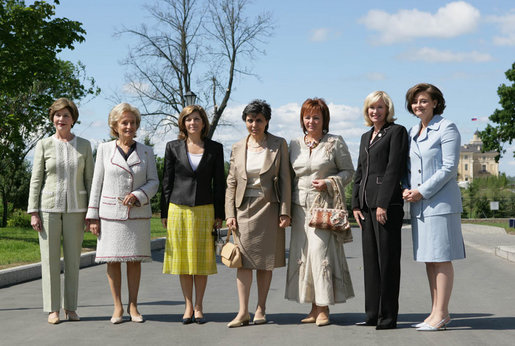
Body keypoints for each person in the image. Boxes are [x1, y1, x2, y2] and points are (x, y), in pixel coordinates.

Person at [86, 103, 159, 324]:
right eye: (124, 122)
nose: (129, 126)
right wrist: (93, 216)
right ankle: (117, 307)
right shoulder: (104, 150)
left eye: (133, 122)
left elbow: (154, 181)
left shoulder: (147, 151)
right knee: (113, 261)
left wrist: (139, 194)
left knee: (135, 261)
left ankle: (133, 306)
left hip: (137, 215)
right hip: (110, 215)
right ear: (115, 125)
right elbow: (96, 183)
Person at [285, 98, 355, 326]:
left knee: (320, 254)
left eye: (316, 117)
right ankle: (313, 307)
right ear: (302, 119)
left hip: (323, 207)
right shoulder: (294, 144)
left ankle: (324, 307)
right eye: (307, 117)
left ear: (324, 119)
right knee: (304, 256)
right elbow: (288, 176)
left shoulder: (335, 142)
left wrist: (329, 181)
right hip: (299, 208)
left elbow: (348, 171)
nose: (311, 121)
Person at [402, 83, 465, 331]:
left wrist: (422, 191)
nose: (419, 105)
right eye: (415, 101)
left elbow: (449, 168)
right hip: (419, 206)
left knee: (441, 258)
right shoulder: (411, 131)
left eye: (424, 100)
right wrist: (406, 188)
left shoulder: (446, 127)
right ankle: (436, 312)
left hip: (440, 203)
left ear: (436, 102)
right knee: (429, 259)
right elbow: (408, 168)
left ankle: (441, 313)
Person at [225, 99, 291, 327]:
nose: (254, 124)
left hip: (269, 209)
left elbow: (285, 180)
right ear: (245, 121)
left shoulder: (278, 144)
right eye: (250, 120)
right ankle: (242, 312)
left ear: (267, 122)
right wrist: (229, 213)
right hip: (242, 210)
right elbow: (231, 182)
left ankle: (261, 309)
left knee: (265, 262)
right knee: (242, 262)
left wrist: (285, 211)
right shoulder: (237, 146)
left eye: (259, 120)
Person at [27, 98, 94, 324]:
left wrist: (91, 212)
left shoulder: (84, 145)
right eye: (57, 115)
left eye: (66, 115)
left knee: (73, 260)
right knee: (50, 260)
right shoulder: (43, 145)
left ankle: (71, 308)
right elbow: (36, 179)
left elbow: (90, 180)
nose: (61, 119)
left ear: (73, 119)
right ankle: (53, 309)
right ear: (52, 119)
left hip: (77, 210)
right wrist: (33, 211)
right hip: (48, 210)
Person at [161, 105, 225, 324]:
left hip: (205, 208)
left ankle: (199, 306)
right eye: (188, 119)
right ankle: (188, 306)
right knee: (183, 260)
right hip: (178, 208)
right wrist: (164, 212)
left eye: (197, 119)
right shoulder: (172, 147)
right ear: (183, 123)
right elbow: (166, 181)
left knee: (202, 260)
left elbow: (220, 184)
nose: (192, 123)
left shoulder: (215, 148)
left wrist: (220, 213)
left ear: (203, 123)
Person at [351, 91, 408, 330]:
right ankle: (372, 314)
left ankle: (388, 317)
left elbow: (394, 168)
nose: (376, 111)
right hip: (365, 207)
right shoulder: (366, 136)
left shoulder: (397, 132)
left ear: (388, 110)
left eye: (380, 107)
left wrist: (383, 203)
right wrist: (354, 204)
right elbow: (360, 172)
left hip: (387, 206)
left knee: (387, 263)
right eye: (372, 107)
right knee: (371, 264)